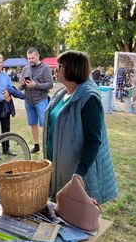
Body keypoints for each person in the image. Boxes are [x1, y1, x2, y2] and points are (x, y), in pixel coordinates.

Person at [43, 50, 117, 204]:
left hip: (78, 174)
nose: (55, 70)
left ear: (72, 69)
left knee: (76, 216)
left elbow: (94, 141)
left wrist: (79, 173)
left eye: (60, 66)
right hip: (58, 168)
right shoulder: (62, 94)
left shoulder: (89, 99)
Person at [18, 47, 53, 153]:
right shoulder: (25, 69)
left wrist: (36, 85)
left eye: (32, 58)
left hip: (41, 100)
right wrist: (22, 84)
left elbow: (50, 84)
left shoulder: (45, 68)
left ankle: (47, 147)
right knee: (33, 123)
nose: (30, 60)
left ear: (38, 56)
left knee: (45, 125)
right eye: (28, 58)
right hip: (28, 101)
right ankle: (36, 145)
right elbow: (20, 87)